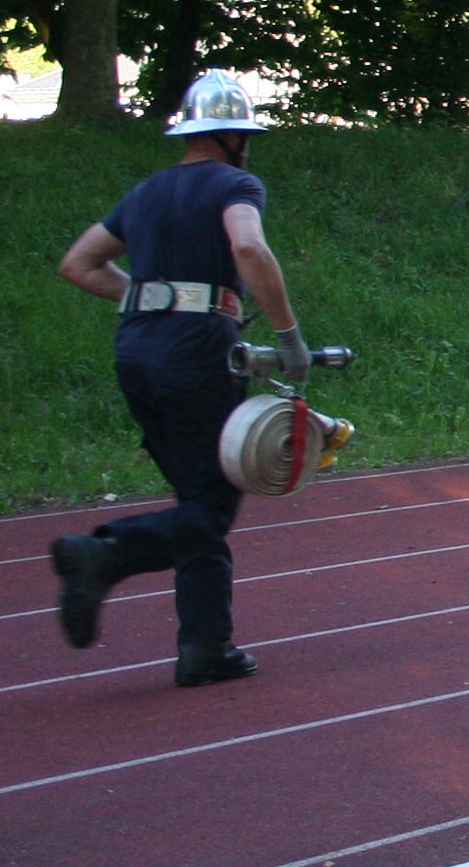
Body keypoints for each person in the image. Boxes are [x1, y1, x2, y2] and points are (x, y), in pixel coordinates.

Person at [46, 71, 310, 687]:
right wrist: (288, 335)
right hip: (197, 355)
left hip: (136, 352)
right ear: (231, 137)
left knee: (197, 496)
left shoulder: (145, 193)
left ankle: (205, 646)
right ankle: (106, 553)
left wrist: (151, 298)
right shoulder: (235, 184)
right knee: (210, 508)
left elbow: (78, 264)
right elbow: (249, 249)